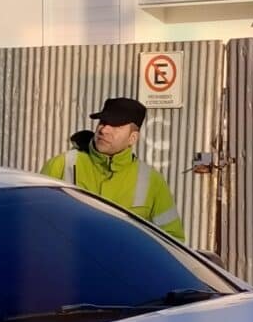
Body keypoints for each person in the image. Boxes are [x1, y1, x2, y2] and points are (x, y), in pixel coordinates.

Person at [43, 97, 182, 241]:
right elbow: (35, 221)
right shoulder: (61, 165)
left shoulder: (152, 182)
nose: (104, 130)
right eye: (102, 122)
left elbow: (172, 241)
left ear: (132, 138)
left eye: (116, 125)